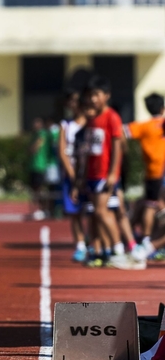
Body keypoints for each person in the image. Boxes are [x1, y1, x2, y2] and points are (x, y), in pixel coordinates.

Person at [83, 75, 143, 269]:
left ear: (106, 96)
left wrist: (112, 173)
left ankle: (119, 250)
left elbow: (117, 146)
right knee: (97, 213)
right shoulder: (92, 119)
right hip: (92, 173)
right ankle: (112, 250)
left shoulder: (112, 117)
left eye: (97, 95)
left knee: (102, 211)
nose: (93, 99)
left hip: (105, 173)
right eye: (90, 95)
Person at [124, 93, 165, 242]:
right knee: (152, 205)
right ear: (162, 108)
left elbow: (123, 131)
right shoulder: (162, 123)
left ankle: (147, 239)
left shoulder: (144, 126)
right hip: (159, 171)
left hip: (152, 172)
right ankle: (149, 240)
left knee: (150, 205)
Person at [58, 90, 87, 261]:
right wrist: (73, 174)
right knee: (74, 211)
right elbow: (62, 151)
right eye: (72, 101)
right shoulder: (66, 125)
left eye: (78, 101)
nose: (75, 105)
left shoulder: (91, 123)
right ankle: (81, 244)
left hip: (89, 174)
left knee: (92, 211)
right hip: (71, 174)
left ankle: (95, 242)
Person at [28, 117, 48, 219]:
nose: (34, 125)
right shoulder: (34, 135)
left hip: (40, 165)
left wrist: (32, 148)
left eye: (37, 123)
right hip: (33, 166)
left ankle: (44, 209)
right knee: (34, 189)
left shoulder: (42, 134)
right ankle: (37, 209)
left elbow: (35, 148)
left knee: (40, 189)